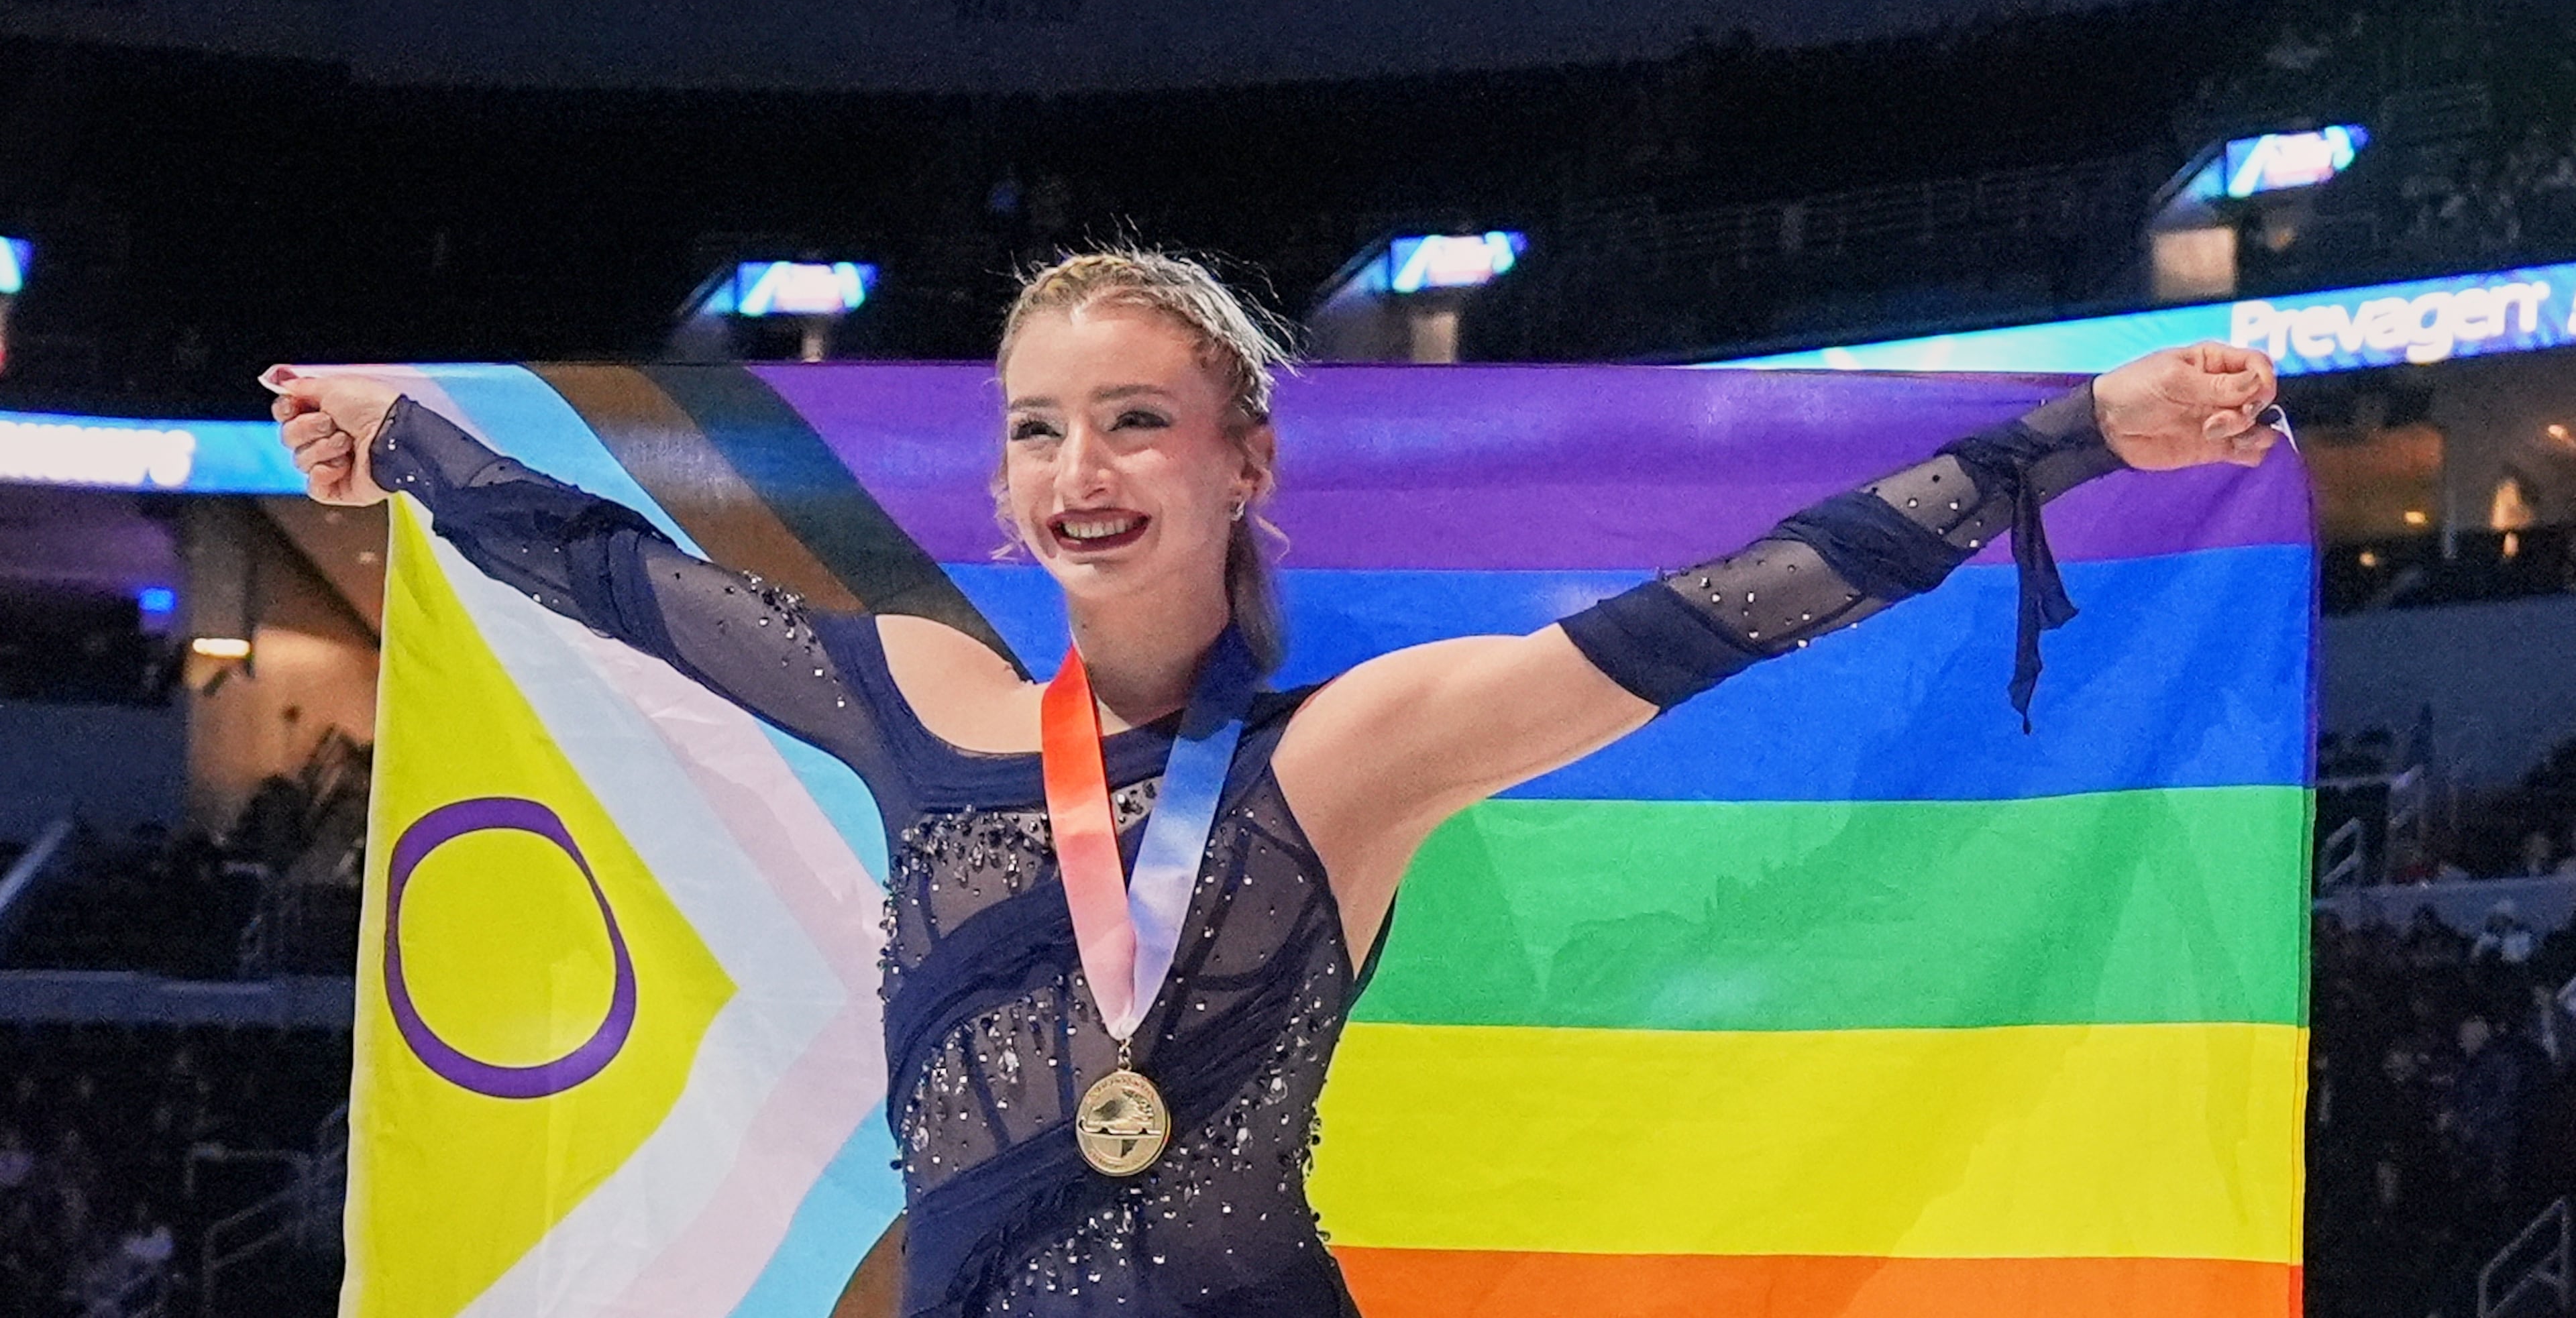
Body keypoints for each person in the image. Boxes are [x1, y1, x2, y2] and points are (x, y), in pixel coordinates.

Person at [267, 249, 2280, 1318]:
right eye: (1040, 428)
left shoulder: (1354, 750)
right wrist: (406, 439)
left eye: (1136, 421)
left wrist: (2076, 434)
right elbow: (617, 575)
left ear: (1245, 464)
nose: (1081, 470)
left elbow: (1727, 610)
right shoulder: (920, 702)